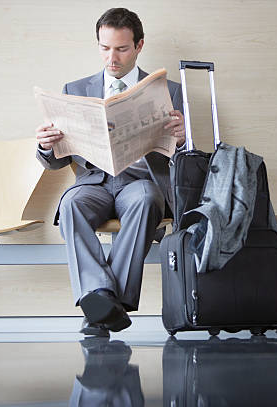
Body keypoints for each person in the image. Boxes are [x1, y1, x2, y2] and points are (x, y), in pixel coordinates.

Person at [35, 8, 186, 337]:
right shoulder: (75, 89)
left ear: (139, 45)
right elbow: (58, 161)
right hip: (95, 182)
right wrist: (47, 146)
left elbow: (189, 159)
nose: (111, 58)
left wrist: (182, 139)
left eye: (120, 49)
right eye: (105, 48)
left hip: (142, 181)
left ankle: (101, 303)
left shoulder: (169, 90)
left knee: (147, 200)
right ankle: (107, 300)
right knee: (71, 204)